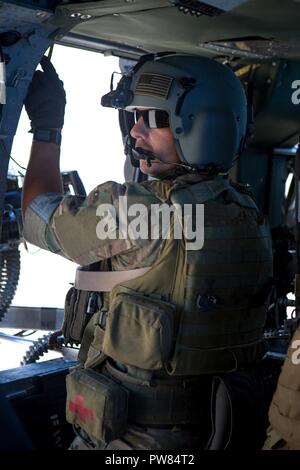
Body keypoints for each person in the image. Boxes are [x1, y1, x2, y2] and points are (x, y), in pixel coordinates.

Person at [22, 53, 273, 450]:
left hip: (134, 441)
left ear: (199, 126)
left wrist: (47, 128)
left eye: (154, 119)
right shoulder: (247, 214)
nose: (135, 131)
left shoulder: (139, 211)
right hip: (212, 433)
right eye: (134, 117)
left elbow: (35, 215)